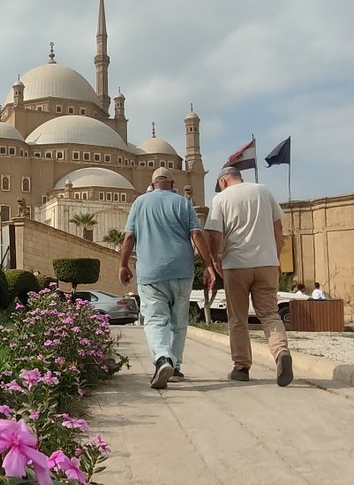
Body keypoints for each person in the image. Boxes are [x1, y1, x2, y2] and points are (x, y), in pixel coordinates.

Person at [118, 167, 216, 390]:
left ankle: (163, 358)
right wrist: (208, 264)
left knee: (154, 319)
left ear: (153, 185)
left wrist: (123, 264)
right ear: (173, 185)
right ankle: (176, 366)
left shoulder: (140, 203)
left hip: (151, 272)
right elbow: (196, 234)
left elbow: (129, 236)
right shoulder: (183, 203)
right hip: (182, 271)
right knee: (178, 321)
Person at [205, 166, 293, 387]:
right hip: (267, 263)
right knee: (270, 314)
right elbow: (278, 227)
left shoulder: (221, 199)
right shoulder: (263, 191)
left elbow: (214, 234)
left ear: (223, 180)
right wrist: (276, 257)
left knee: (238, 318)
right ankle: (281, 353)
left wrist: (215, 260)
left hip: (237, 264)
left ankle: (241, 367)